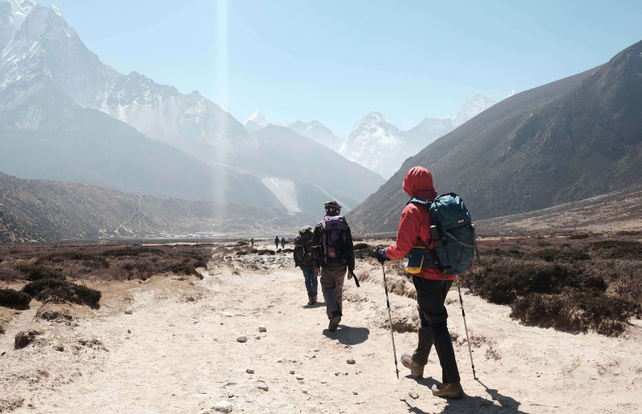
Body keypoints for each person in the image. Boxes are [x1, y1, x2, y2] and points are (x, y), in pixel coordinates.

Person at [375, 166, 464, 399]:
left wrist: (383, 253)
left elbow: (402, 247)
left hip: (426, 275)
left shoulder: (413, 210)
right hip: (448, 273)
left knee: (437, 324)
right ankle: (417, 362)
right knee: (429, 317)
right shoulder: (442, 206)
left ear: (411, 185)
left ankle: (452, 383)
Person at [311, 200, 355, 331]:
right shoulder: (344, 225)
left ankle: (334, 314)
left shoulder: (320, 226)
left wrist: (316, 264)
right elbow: (349, 247)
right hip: (341, 265)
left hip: (326, 264)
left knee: (327, 289)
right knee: (338, 289)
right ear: (338, 210)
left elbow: (315, 247)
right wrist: (351, 267)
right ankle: (338, 314)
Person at [293, 225, 317, 305]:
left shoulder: (300, 241)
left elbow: (295, 253)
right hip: (313, 263)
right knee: (314, 279)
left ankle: (310, 296)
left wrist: (298, 264)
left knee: (307, 280)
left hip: (304, 264)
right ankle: (315, 295)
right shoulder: (312, 239)